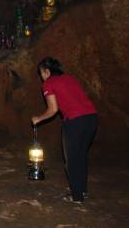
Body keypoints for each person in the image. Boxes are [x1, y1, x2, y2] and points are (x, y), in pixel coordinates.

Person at [31, 57, 98, 203]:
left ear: (47, 71)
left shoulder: (49, 83)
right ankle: (82, 191)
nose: (41, 77)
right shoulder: (69, 78)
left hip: (75, 121)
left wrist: (38, 118)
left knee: (72, 160)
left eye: (41, 73)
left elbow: (53, 109)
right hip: (91, 118)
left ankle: (77, 197)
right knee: (81, 156)